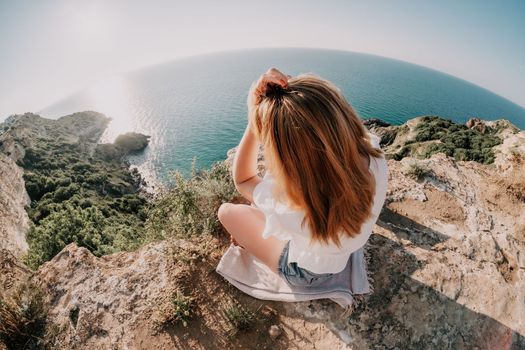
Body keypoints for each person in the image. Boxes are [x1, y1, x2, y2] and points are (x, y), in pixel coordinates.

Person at [218, 67, 388, 287]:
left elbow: (243, 180)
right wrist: (303, 99)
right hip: (340, 250)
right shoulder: (374, 156)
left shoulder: (291, 202)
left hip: (308, 272)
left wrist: (254, 118)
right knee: (260, 201)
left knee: (228, 212)